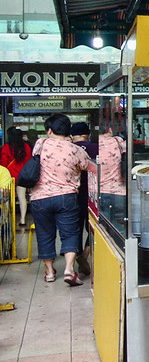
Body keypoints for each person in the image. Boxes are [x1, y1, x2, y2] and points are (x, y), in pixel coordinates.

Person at [30, 113, 94, 286]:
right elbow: (88, 166)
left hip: (40, 197)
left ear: (49, 131)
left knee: (44, 233)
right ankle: (69, 269)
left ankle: (50, 272)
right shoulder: (75, 150)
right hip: (67, 196)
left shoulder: (40, 144)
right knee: (70, 233)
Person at [70, 122, 98, 277]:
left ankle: (75, 257)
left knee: (75, 228)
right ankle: (85, 254)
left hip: (73, 195)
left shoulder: (68, 149)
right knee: (93, 226)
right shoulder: (96, 148)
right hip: (92, 194)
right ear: (88, 135)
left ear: (71, 135)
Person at [97, 128, 128, 230]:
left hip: (99, 191)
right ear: (110, 130)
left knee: (104, 225)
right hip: (118, 191)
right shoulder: (117, 142)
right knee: (115, 223)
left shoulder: (92, 145)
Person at [2, 127, 33, 227]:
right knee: (22, 198)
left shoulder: (6, 147)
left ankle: (7, 219)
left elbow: (3, 163)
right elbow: (29, 162)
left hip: (9, 176)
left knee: (7, 198)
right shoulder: (26, 147)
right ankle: (22, 220)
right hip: (22, 176)